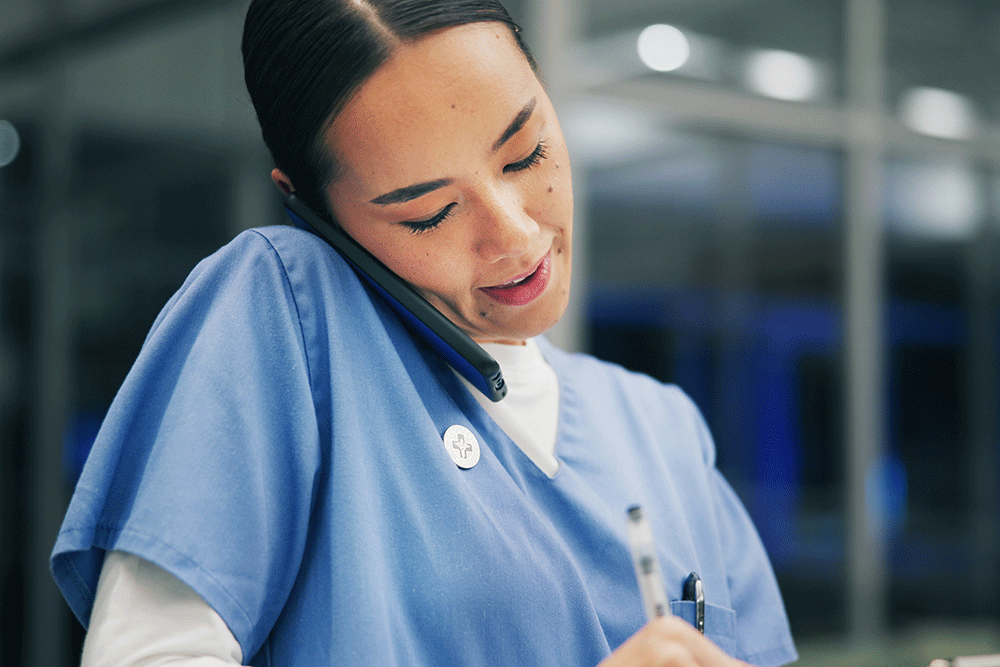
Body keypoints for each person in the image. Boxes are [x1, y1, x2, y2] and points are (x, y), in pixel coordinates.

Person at [50, 1, 798, 665]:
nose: (512, 234)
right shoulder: (289, 313)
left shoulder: (664, 430)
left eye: (525, 152)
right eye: (428, 213)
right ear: (311, 209)